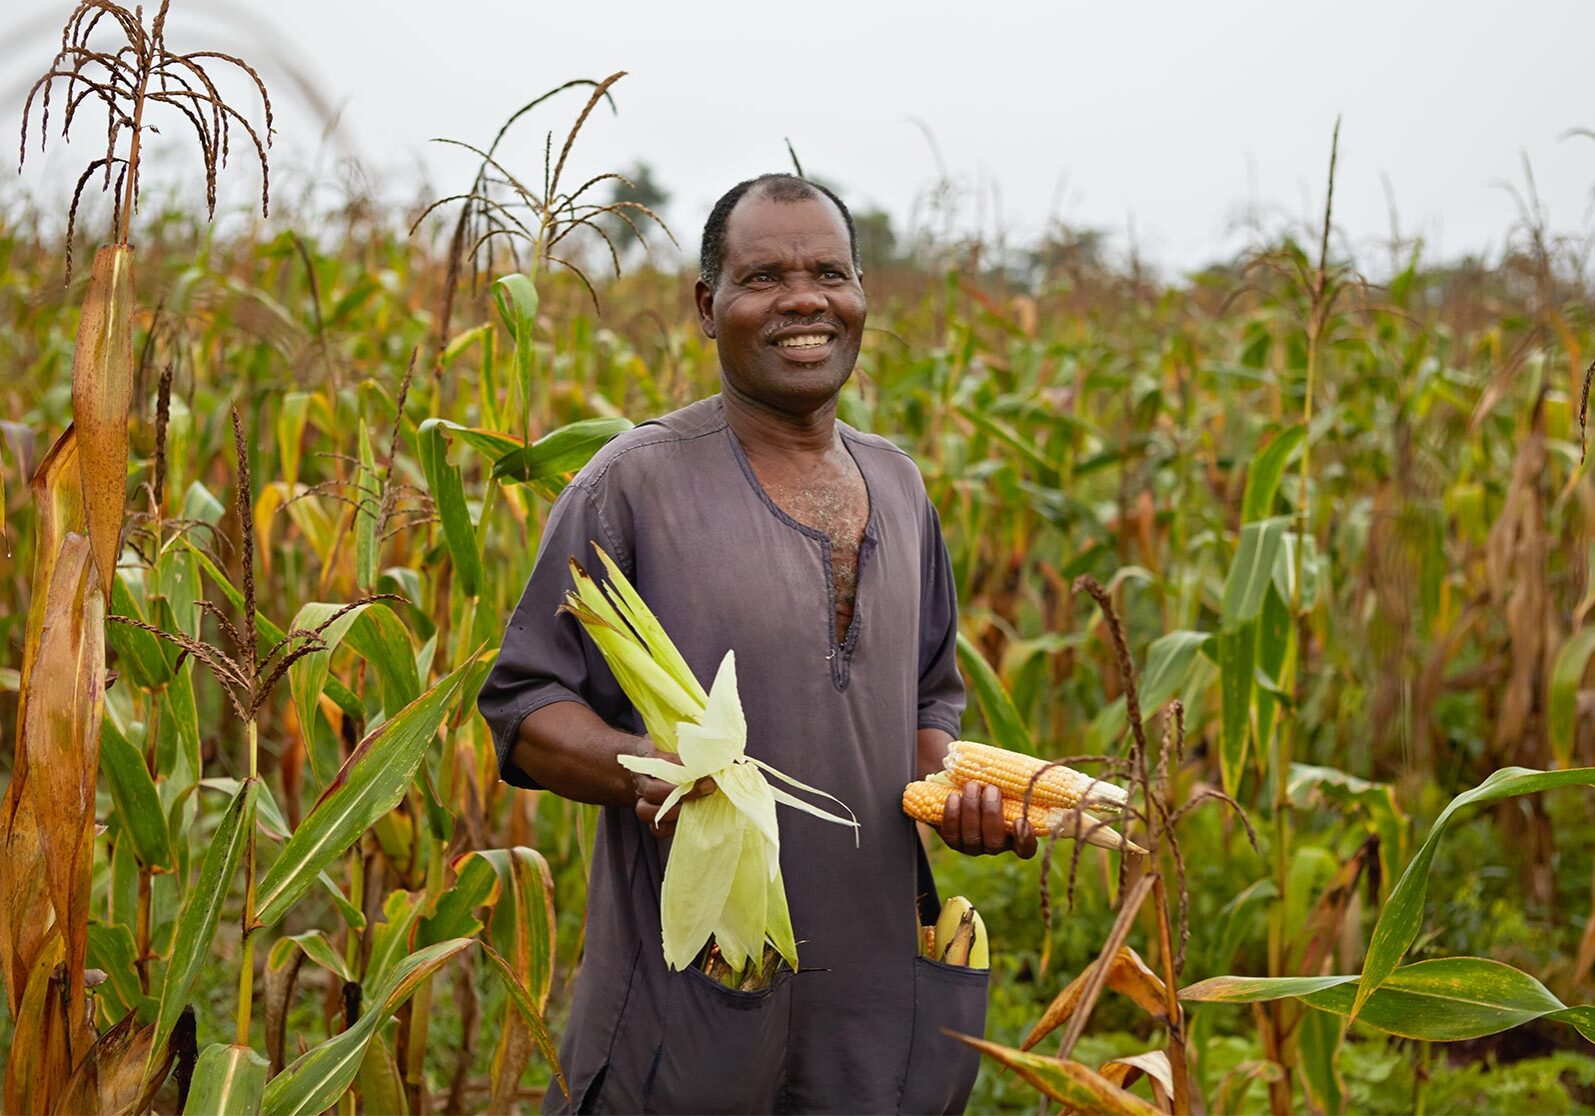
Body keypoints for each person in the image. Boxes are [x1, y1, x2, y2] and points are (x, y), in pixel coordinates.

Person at [478, 173, 1036, 1115]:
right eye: (765, 276)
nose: (805, 299)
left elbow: (926, 699)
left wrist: (956, 793)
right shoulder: (632, 486)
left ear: (861, 293)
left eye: (829, 272)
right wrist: (649, 769)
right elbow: (525, 706)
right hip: (689, 1006)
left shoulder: (900, 485)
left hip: (873, 1012)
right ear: (708, 306)